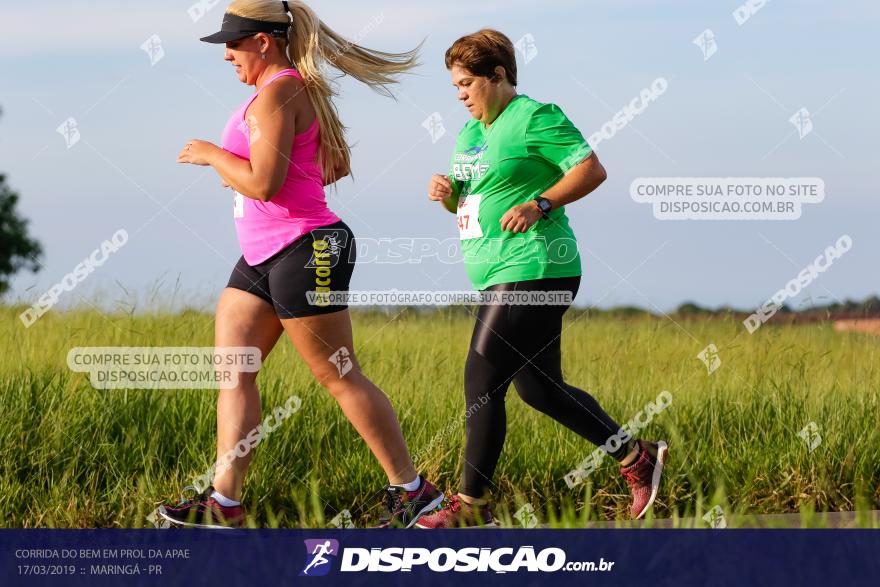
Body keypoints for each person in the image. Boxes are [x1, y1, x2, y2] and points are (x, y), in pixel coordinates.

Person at [158, 0, 442, 529]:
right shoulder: (283, 91)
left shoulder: (280, 90)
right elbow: (331, 164)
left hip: (308, 249)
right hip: (263, 254)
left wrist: (213, 156)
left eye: (233, 44)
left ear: (263, 41)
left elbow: (264, 183)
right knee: (234, 371)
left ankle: (415, 493)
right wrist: (258, 176)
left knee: (338, 374)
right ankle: (225, 502)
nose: (227, 57)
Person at [416, 29, 668, 528]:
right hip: (495, 272)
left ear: (499, 75)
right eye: (455, 87)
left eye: (467, 83)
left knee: (481, 377)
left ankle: (470, 508)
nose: (461, 94)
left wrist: (541, 203)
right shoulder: (470, 134)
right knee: (540, 391)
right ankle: (636, 457)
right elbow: (467, 203)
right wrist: (446, 192)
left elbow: (591, 170)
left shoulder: (534, 116)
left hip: (537, 266)